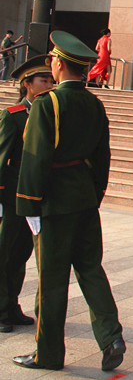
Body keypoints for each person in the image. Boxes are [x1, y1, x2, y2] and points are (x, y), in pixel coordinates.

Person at [13, 31, 125, 372]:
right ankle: (111, 337)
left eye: (52, 60)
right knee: (90, 269)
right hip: (85, 198)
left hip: (53, 203)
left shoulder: (47, 103)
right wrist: (95, 194)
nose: (51, 64)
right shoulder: (95, 103)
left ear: (59, 65)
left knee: (52, 280)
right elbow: (102, 156)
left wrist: (28, 204)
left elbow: (35, 157)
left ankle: (48, 354)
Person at [0, 56, 54, 334]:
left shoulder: (51, 113)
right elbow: (1, 157)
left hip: (35, 195)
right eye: (43, 80)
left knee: (21, 253)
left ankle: (11, 305)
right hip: (12, 193)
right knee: (3, 252)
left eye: (51, 80)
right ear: (28, 85)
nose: (49, 85)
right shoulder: (13, 115)